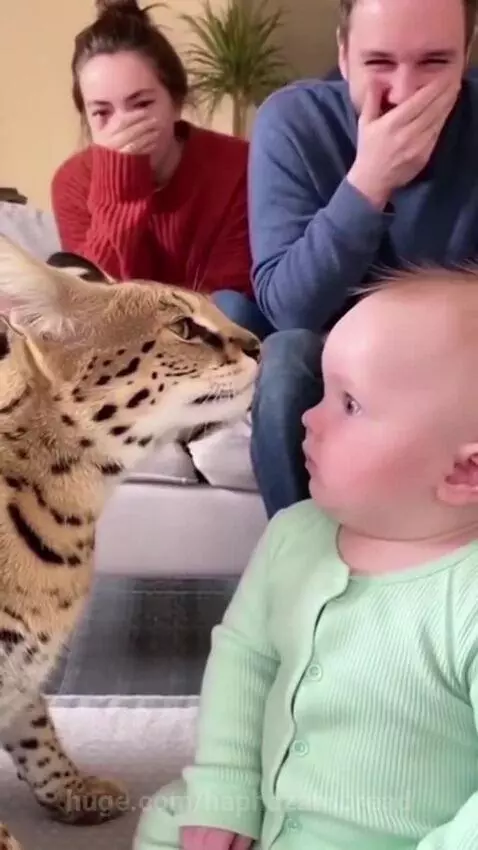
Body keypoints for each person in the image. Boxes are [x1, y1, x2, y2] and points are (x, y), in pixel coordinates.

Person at [134, 267, 478, 850]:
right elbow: (245, 663)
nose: (307, 418)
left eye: (349, 404)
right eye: (320, 393)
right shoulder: (295, 535)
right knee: (167, 821)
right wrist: (226, 793)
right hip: (269, 816)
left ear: (464, 470)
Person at [247, 0, 478, 516]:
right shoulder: (294, 122)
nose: (403, 92)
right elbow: (289, 308)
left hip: (458, 358)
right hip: (336, 356)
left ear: (466, 56)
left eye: (435, 63)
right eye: (378, 63)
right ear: (344, 55)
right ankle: (303, 563)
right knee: (284, 361)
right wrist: (370, 181)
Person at [51, 0, 270, 339]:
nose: (124, 125)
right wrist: (119, 189)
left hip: (217, 337)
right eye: (102, 113)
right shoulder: (72, 182)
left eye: (141, 104)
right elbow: (92, 311)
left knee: (231, 307)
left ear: (176, 101)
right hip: (124, 348)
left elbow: (234, 295)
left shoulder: (237, 164)